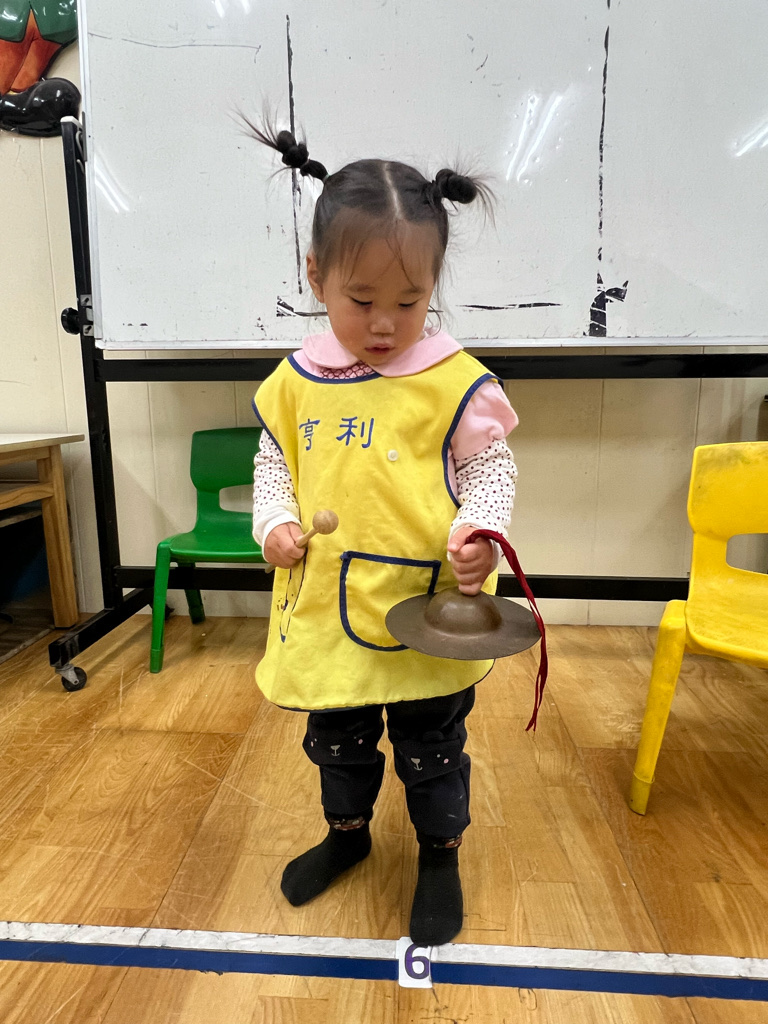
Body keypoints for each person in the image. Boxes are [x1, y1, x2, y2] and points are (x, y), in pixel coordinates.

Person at [250, 120, 518, 946]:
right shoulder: (295, 382)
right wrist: (275, 523)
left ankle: (439, 854)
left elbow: (491, 469)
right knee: (337, 739)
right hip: (330, 613)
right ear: (315, 274)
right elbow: (275, 464)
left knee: (432, 747)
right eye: (361, 300)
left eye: (410, 302)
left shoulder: (453, 381)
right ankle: (348, 835)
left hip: (429, 612)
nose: (384, 323)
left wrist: (481, 529)